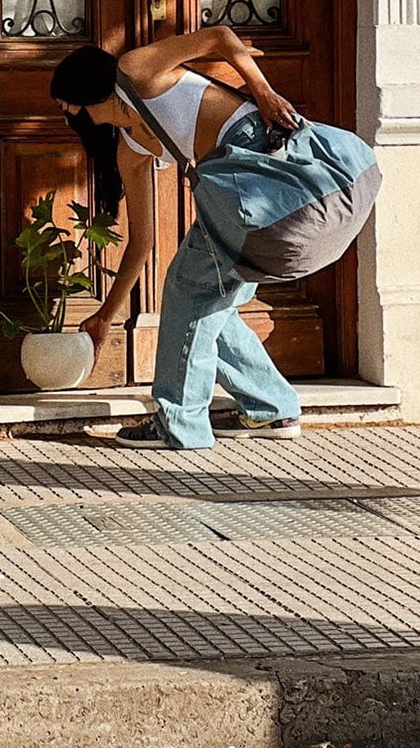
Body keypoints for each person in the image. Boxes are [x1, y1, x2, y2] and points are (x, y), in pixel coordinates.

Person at [50, 24, 306, 451]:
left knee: (191, 287)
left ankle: (179, 421)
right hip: (228, 182)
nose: (64, 113)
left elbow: (221, 37)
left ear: (76, 102)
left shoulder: (135, 71)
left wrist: (261, 92)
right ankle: (272, 409)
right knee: (212, 296)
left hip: (254, 153)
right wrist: (105, 318)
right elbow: (142, 241)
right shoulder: (130, 148)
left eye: (62, 104)